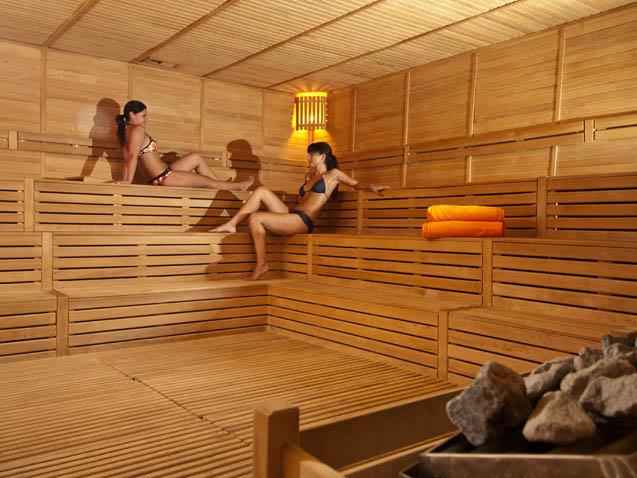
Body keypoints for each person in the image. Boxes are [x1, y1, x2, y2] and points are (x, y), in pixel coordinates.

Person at [212, 142, 388, 280]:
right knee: (261, 191)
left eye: (311, 154)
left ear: (322, 156)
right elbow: (302, 200)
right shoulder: (309, 176)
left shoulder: (333, 174)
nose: (308, 157)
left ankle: (262, 265)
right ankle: (232, 224)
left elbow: (356, 184)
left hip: (303, 221)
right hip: (292, 215)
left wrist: (371, 187)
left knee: (256, 218)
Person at [115, 100, 253, 189]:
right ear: (132, 114)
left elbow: (129, 158)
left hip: (163, 173)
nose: (145, 119)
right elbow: (132, 157)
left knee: (196, 157)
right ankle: (237, 186)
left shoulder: (126, 132)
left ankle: (222, 185)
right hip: (164, 177)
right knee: (209, 182)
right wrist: (127, 181)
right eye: (143, 116)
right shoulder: (137, 130)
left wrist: (125, 179)